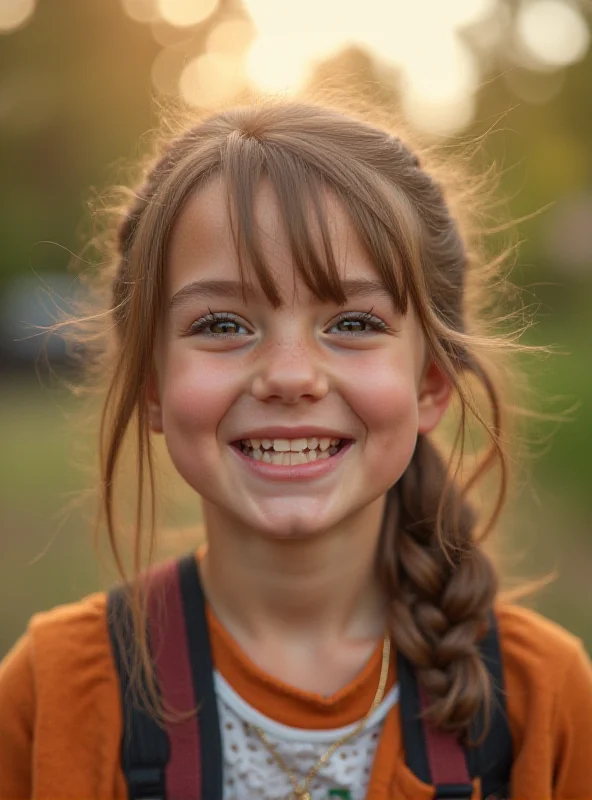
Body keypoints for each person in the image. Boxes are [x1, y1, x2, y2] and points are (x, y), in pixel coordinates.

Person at [0, 100, 590, 800]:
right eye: (222, 323)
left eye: (351, 322)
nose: (288, 376)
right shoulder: (53, 691)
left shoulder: (544, 698)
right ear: (151, 384)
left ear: (430, 382)